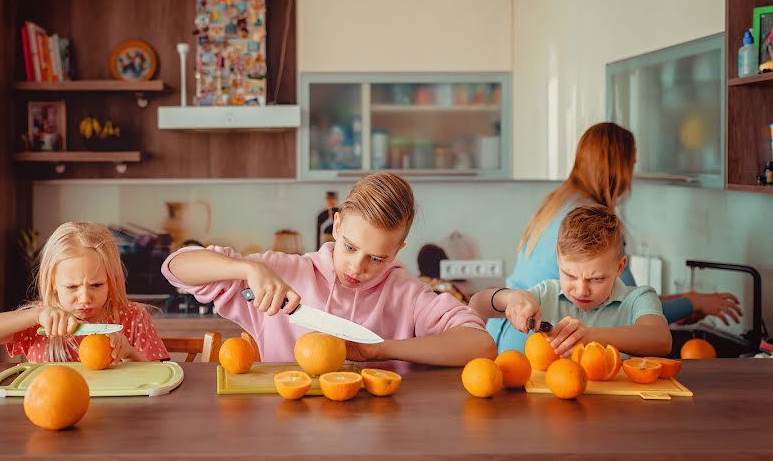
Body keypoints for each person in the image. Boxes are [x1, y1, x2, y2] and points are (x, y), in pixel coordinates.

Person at [162, 172, 496, 366]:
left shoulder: (407, 294)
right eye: (350, 247)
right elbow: (175, 267)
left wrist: (380, 350)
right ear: (336, 226)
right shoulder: (284, 272)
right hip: (282, 429)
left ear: (397, 250)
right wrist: (247, 269)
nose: (357, 266)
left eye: (377, 258)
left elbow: (480, 345)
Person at [486, 122, 742, 354]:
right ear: (619, 168)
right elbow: (625, 307)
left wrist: (689, 298)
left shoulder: (558, 202)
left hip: (504, 334)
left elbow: (632, 302)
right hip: (540, 343)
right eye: (631, 165)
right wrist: (692, 302)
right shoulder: (594, 223)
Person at [471, 206, 672, 358]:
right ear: (558, 260)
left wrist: (591, 337)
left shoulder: (639, 299)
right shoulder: (545, 293)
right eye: (570, 275)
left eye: (596, 278)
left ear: (620, 267)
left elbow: (660, 340)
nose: (581, 290)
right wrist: (512, 297)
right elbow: (477, 305)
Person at [0, 222, 168, 363]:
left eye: (96, 285)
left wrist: (130, 355)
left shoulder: (133, 318)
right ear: (52, 283)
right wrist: (35, 315)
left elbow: (161, 377)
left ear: (112, 280)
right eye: (72, 287)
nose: (85, 298)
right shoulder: (38, 321)